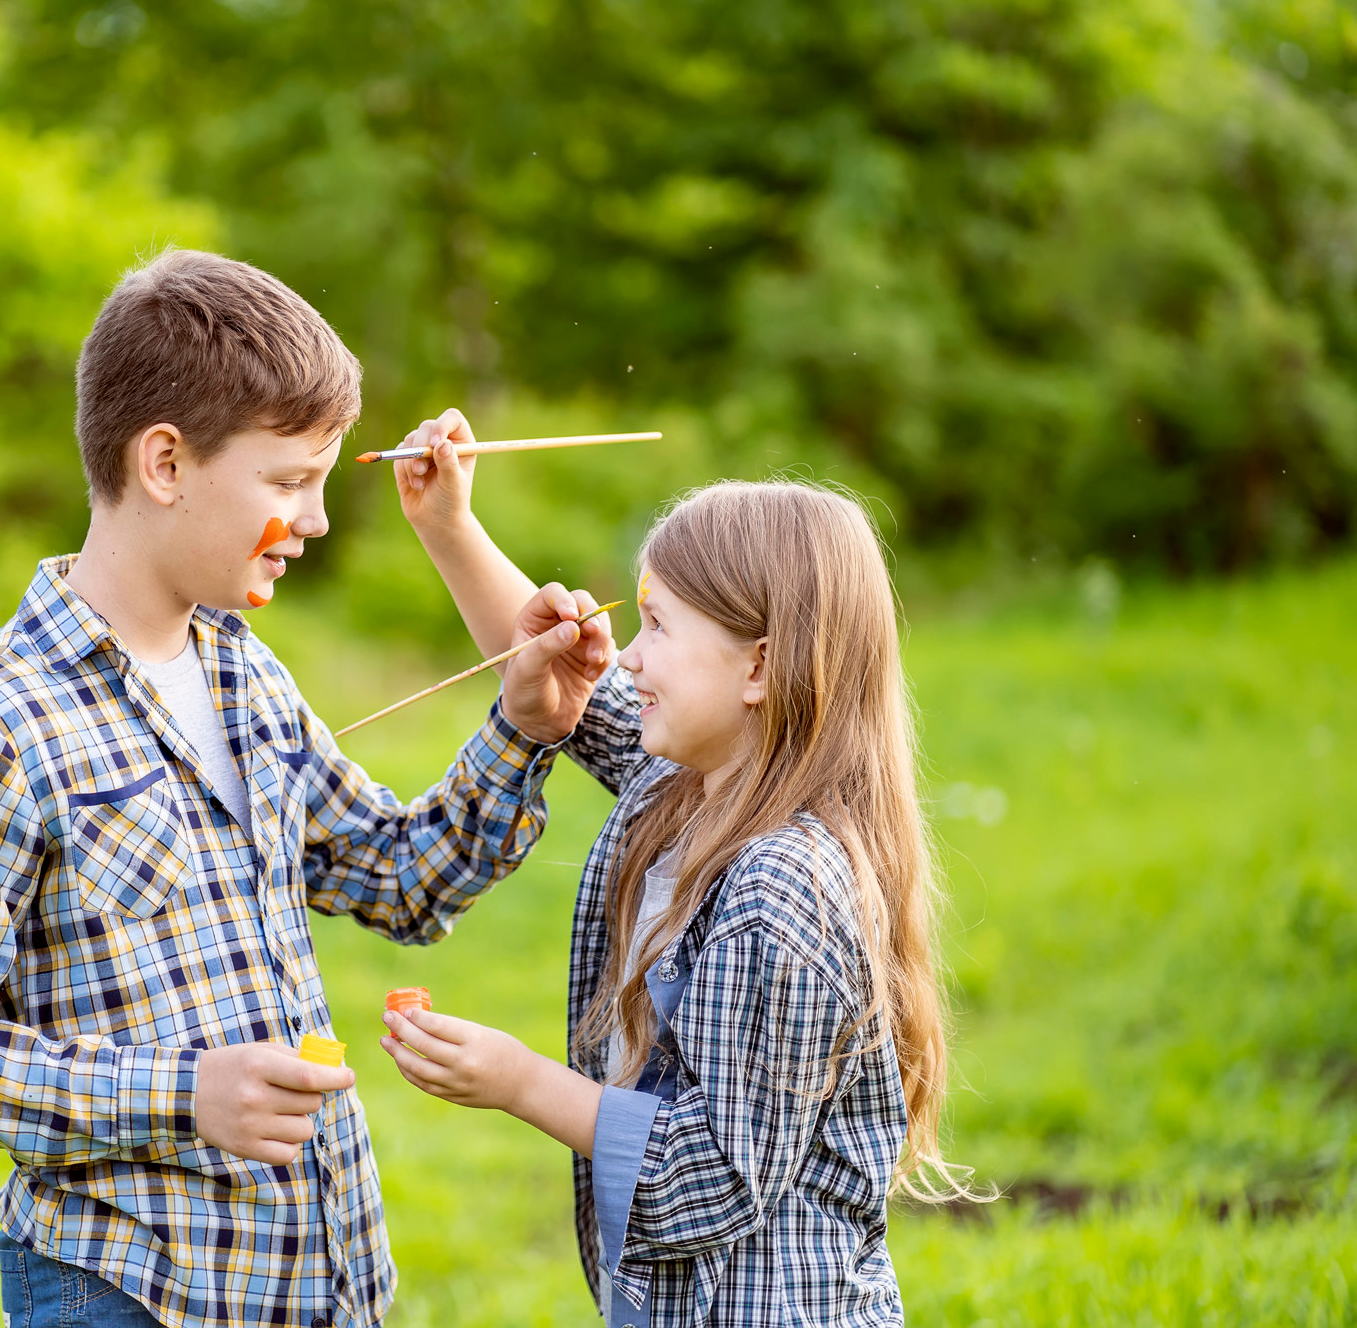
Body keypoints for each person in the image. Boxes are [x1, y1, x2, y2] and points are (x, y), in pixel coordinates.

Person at [0, 259, 610, 1328]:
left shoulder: (241, 670)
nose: (316, 521)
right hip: (130, 1292)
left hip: (315, 1283)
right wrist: (182, 1095)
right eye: (288, 482)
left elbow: (400, 881)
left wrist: (523, 727)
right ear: (164, 461)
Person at [377, 411, 969, 1327]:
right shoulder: (686, 784)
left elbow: (712, 1179)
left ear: (758, 667)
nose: (629, 654)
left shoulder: (782, 891)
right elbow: (567, 687)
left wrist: (521, 1082)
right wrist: (448, 527)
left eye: (656, 626)